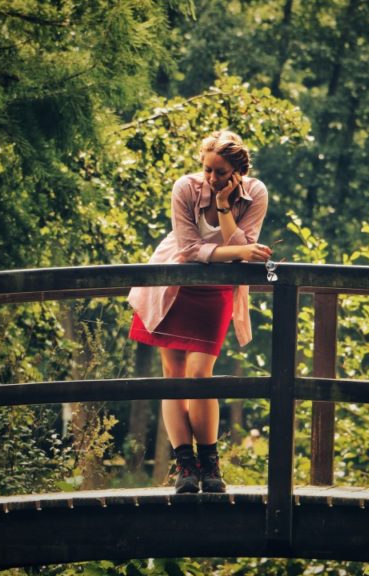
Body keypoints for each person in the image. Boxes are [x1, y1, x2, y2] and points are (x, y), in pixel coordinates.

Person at [127, 130, 273, 494]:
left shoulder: (255, 194)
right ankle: (185, 467)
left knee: (199, 375)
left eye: (220, 172)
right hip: (174, 282)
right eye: (207, 169)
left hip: (216, 292)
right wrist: (236, 252)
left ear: (238, 171)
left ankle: (211, 465)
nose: (211, 178)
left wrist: (224, 207)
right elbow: (191, 250)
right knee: (173, 376)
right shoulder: (185, 188)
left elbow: (240, 245)